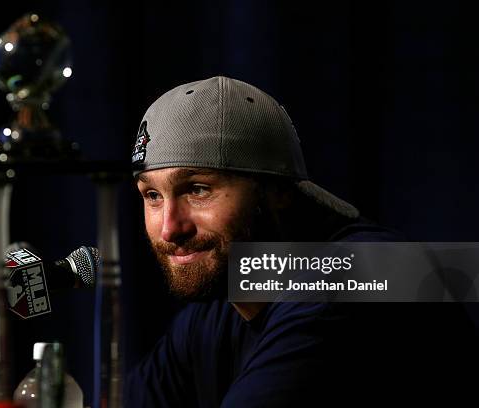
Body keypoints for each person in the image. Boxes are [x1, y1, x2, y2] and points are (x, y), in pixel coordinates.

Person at [124, 76, 476, 407]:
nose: (170, 228)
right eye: (152, 195)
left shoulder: (369, 273)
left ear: (278, 190)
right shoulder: (214, 310)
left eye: (199, 190)